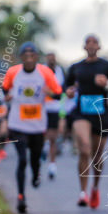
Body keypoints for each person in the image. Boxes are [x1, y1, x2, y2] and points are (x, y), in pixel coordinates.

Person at [2, 42, 63, 213]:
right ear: (21, 57)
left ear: (37, 57)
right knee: (22, 160)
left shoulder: (45, 72)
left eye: (32, 55)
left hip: (37, 125)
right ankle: (21, 196)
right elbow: (4, 88)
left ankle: (36, 174)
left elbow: (59, 93)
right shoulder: (13, 72)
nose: (29, 58)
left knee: (35, 159)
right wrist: (6, 96)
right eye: (25, 55)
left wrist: (49, 93)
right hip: (17, 124)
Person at [64, 34, 108, 208]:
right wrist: (68, 91)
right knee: (84, 148)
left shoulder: (107, 66)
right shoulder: (76, 67)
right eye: (88, 42)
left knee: (97, 155)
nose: (91, 45)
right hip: (81, 113)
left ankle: (95, 188)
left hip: (100, 114)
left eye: (94, 42)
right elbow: (66, 87)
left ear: (99, 46)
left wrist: (107, 84)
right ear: (84, 47)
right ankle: (82, 193)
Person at [43, 52, 66, 180]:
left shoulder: (60, 72)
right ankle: (42, 152)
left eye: (53, 58)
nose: (51, 60)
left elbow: (61, 91)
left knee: (53, 137)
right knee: (42, 136)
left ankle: (52, 165)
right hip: (41, 109)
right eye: (49, 58)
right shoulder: (41, 70)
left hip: (55, 108)